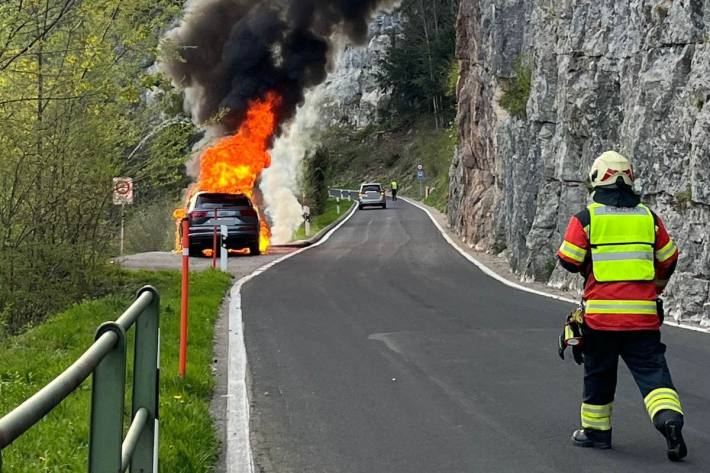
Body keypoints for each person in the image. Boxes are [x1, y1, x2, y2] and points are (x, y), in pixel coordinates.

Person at [557, 151, 686, 461]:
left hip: (601, 319)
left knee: (599, 374)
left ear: (595, 178)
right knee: (654, 375)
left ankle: (597, 433)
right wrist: (654, 287)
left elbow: (568, 259)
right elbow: (668, 258)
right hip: (643, 318)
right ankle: (669, 422)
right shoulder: (648, 217)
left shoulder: (587, 217)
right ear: (629, 178)